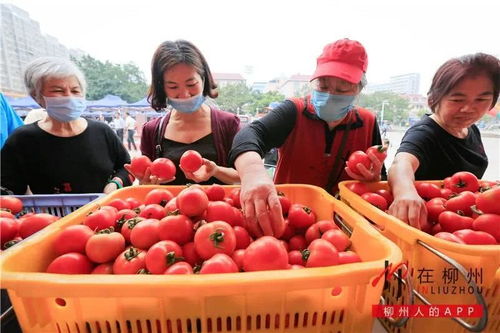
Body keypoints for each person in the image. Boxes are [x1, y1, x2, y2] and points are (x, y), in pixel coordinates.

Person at [228, 39, 385, 237]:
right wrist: (253, 172)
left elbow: (381, 179)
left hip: (345, 229)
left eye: (342, 88)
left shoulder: (367, 122)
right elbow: (250, 134)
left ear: (359, 89)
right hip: (286, 221)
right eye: (323, 85)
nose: (329, 95)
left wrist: (375, 179)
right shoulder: (294, 111)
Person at [388, 53, 500, 229]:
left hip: (463, 227)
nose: (468, 109)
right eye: (457, 99)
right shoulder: (425, 133)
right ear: (434, 99)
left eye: (481, 99)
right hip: (424, 226)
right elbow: (401, 163)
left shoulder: (472, 130)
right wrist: (405, 192)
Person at [1, 57, 131, 194]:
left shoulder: (102, 131)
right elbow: (8, 187)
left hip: (104, 213)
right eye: (58, 91)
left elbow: (127, 167)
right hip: (51, 214)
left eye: (75, 91)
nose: (69, 97)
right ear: (37, 97)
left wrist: (116, 182)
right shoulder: (23, 139)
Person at [129, 39, 240, 185]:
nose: (184, 94)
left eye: (191, 84)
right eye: (173, 87)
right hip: (168, 207)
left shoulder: (229, 124)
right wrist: (146, 183)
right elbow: (147, 186)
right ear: (162, 87)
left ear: (203, 79)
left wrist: (216, 171)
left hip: (222, 207)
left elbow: (245, 177)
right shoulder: (151, 131)